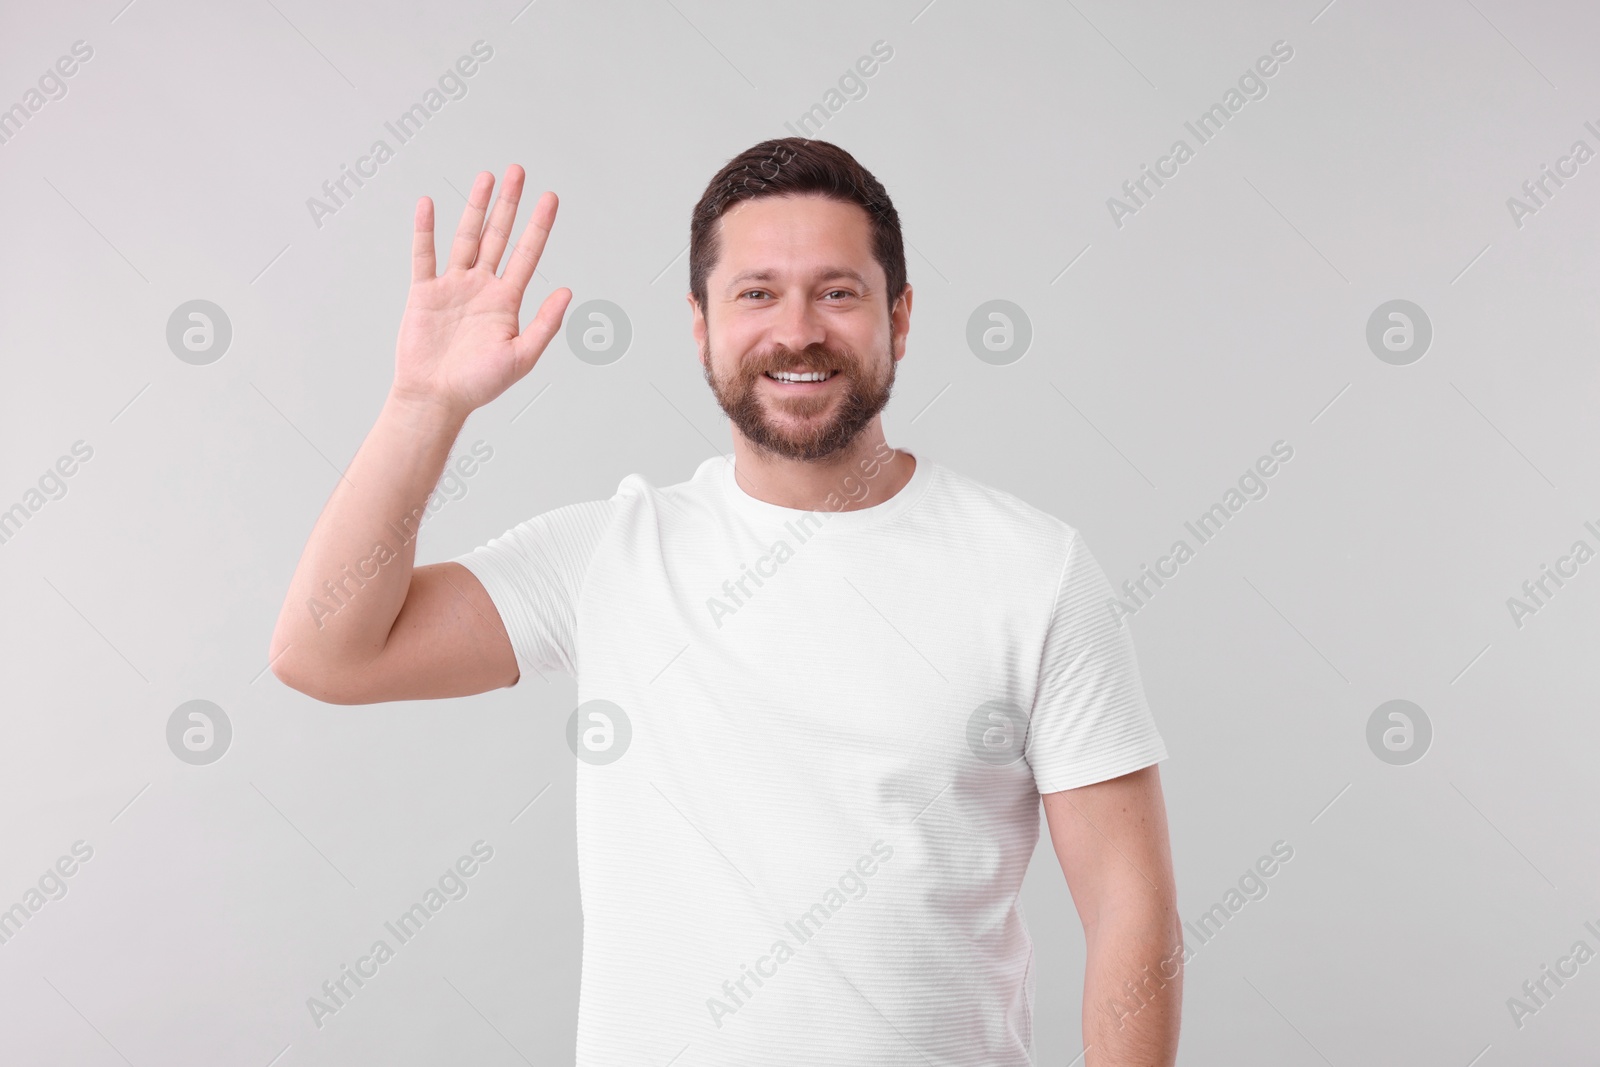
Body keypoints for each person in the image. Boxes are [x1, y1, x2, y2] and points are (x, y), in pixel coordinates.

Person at [269, 138, 1182, 1066]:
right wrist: (425, 403)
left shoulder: (1033, 569)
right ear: (699, 324)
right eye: (756, 294)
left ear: (899, 318)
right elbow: (325, 651)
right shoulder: (609, 556)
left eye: (838, 291)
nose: (797, 331)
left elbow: (1130, 910)